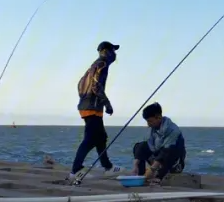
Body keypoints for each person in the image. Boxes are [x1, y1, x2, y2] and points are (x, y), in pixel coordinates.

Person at [69, 41, 124, 182]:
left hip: (89, 107)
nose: (115, 54)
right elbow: (96, 86)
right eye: (113, 50)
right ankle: (76, 170)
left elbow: (80, 84)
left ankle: (108, 167)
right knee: (90, 139)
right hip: (92, 107)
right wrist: (107, 103)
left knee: (101, 137)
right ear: (106, 51)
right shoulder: (102, 64)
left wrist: (85, 100)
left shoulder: (93, 66)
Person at [132, 102, 186, 183]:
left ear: (159, 117)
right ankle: (140, 175)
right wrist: (135, 165)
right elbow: (147, 147)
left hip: (173, 163)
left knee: (169, 149)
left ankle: (158, 177)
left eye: (150, 121)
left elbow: (166, 151)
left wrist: (152, 169)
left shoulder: (173, 130)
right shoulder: (154, 129)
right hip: (158, 161)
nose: (148, 125)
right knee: (140, 146)